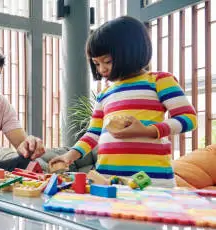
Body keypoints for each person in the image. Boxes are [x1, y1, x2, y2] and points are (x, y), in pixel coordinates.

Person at [50, 16, 197, 187]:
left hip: (152, 181)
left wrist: (147, 131)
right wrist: (70, 156)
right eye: (96, 64)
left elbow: (188, 119)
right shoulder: (104, 94)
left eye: (107, 61)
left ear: (132, 51)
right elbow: (93, 134)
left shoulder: (159, 81)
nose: (102, 69)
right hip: (107, 180)